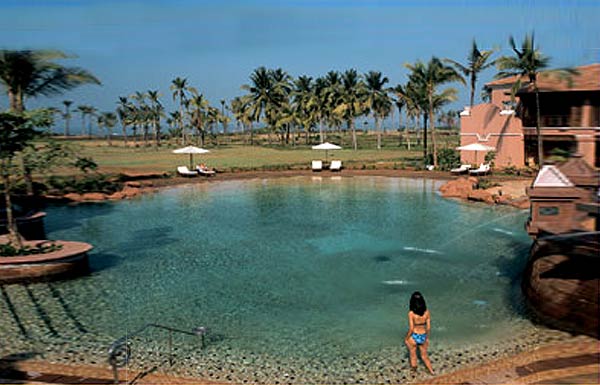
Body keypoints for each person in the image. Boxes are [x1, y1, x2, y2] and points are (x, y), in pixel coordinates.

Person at [404, 291, 434, 375]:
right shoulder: (427, 312)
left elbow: (411, 328)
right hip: (423, 335)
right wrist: (426, 337)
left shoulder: (411, 314)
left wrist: (406, 338)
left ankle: (414, 371)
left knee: (413, 355)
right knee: (424, 356)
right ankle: (431, 371)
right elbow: (428, 327)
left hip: (414, 336)